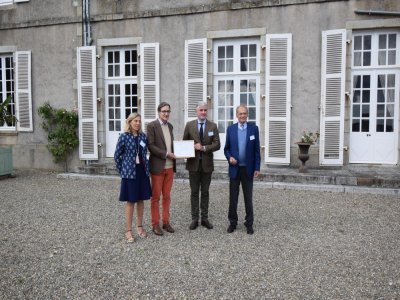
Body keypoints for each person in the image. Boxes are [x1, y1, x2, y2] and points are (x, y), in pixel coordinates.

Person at [183, 101, 220, 230]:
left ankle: (204, 218)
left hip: (207, 165)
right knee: (194, 192)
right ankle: (194, 219)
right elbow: (184, 143)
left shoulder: (213, 126)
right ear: (196, 111)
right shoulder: (189, 125)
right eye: (201, 110)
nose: (203, 112)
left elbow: (217, 144)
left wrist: (203, 147)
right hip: (193, 164)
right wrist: (188, 148)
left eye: (205, 110)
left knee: (205, 192)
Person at [114, 112, 151, 243]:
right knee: (131, 201)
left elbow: (146, 152)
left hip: (142, 172)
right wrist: (122, 170)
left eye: (139, 121)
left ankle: (140, 227)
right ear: (129, 122)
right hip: (130, 174)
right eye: (135, 121)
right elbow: (116, 156)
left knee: (141, 200)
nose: (137, 123)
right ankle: (128, 230)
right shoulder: (124, 137)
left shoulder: (143, 136)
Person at [224, 105, 261, 235]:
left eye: (244, 113)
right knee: (233, 198)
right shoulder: (231, 129)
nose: (242, 116)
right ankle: (232, 223)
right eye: (240, 114)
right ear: (236, 115)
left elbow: (257, 150)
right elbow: (226, 149)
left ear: (247, 115)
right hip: (235, 169)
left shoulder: (253, 129)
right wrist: (230, 158)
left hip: (248, 170)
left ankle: (249, 223)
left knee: (248, 198)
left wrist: (257, 167)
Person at [147, 102, 176, 236]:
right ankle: (155, 224)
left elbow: (171, 145)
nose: (166, 113)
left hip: (170, 167)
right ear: (158, 112)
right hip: (158, 167)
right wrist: (166, 154)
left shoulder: (170, 126)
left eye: (168, 111)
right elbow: (151, 146)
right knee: (156, 197)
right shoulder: (152, 125)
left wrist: (181, 152)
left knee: (167, 197)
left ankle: (166, 222)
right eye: (164, 111)